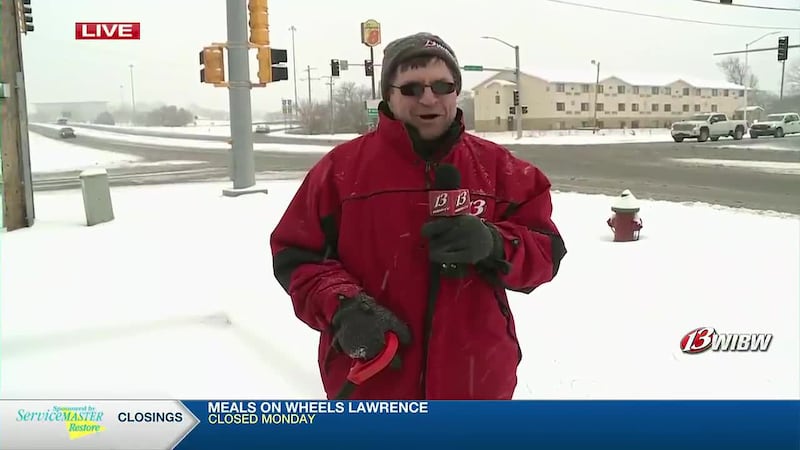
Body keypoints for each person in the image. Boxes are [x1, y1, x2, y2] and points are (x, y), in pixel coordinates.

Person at [270, 32, 566, 400]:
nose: (429, 98)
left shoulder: (502, 170)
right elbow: (296, 257)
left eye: (442, 85)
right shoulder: (339, 171)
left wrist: (494, 243)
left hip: (477, 386)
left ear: (456, 92)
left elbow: (546, 252)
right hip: (373, 384)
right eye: (411, 88)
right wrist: (345, 307)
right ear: (389, 96)